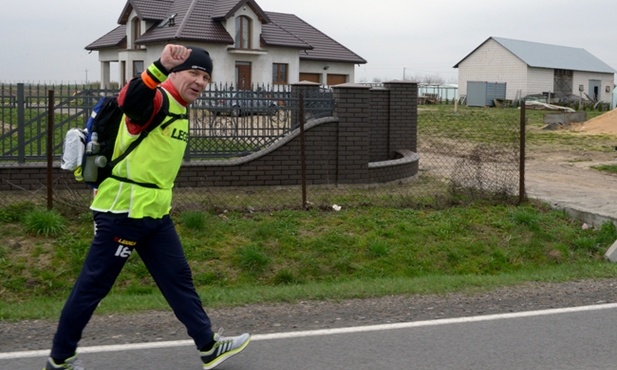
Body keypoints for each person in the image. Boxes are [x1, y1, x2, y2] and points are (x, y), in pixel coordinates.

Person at [44, 44, 251, 370]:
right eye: (194, 73)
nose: (200, 81)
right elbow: (131, 99)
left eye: (206, 76)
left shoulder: (181, 108)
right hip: (122, 214)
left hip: (154, 216)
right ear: (176, 73)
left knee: (179, 280)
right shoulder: (158, 100)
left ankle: (209, 346)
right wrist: (160, 66)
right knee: (92, 288)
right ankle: (60, 359)